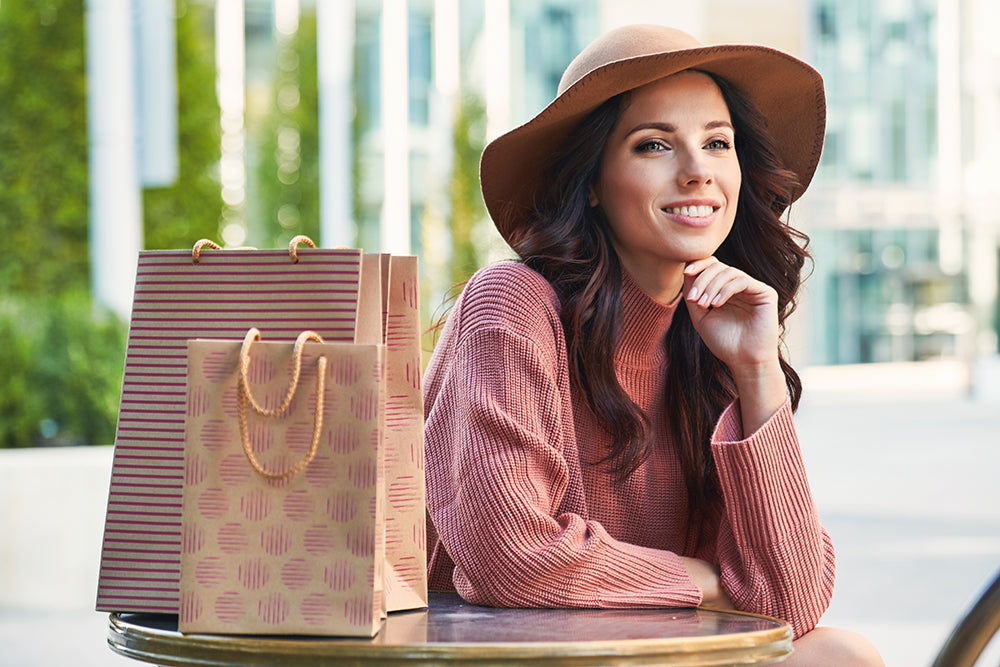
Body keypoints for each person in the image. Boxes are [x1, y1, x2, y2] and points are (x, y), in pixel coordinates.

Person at [423, 24, 883, 665]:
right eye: (654, 146)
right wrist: (708, 582)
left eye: (716, 143)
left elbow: (791, 597)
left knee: (839, 654)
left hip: (645, 651)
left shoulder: (709, 339)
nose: (697, 172)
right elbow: (513, 561)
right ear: (589, 181)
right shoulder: (513, 306)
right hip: (509, 656)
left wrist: (755, 371)